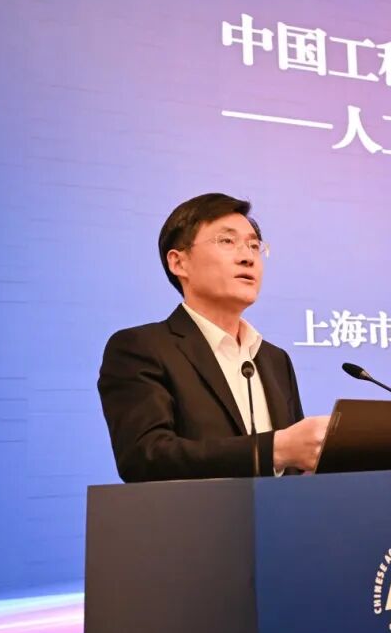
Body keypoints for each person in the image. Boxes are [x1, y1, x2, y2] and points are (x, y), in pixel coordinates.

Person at [97, 193, 328, 482]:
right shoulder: (142, 348)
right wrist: (273, 450)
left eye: (254, 246)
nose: (247, 257)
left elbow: (295, 471)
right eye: (227, 241)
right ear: (179, 263)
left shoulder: (275, 359)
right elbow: (146, 458)